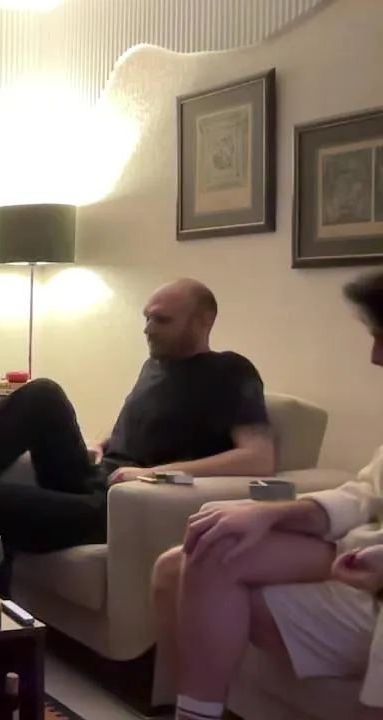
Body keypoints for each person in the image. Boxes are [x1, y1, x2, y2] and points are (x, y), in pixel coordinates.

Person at [0, 278, 274, 592]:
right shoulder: (155, 366)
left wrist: (153, 474)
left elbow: (258, 458)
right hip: (97, 479)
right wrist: (102, 444)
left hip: (124, 503)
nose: (148, 329)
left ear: (203, 321)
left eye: (162, 320)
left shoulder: (230, 371)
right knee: (43, 393)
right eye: (147, 318)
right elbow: (139, 426)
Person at [151, 271, 383, 720]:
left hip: (372, 574)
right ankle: (184, 708)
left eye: (381, 337)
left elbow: (257, 455)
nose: (374, 356)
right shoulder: (155, 375)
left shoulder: (228, 374)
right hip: (356, 549)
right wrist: (271, 514)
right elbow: (365, 493)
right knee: (204, 548)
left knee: (211, 559)